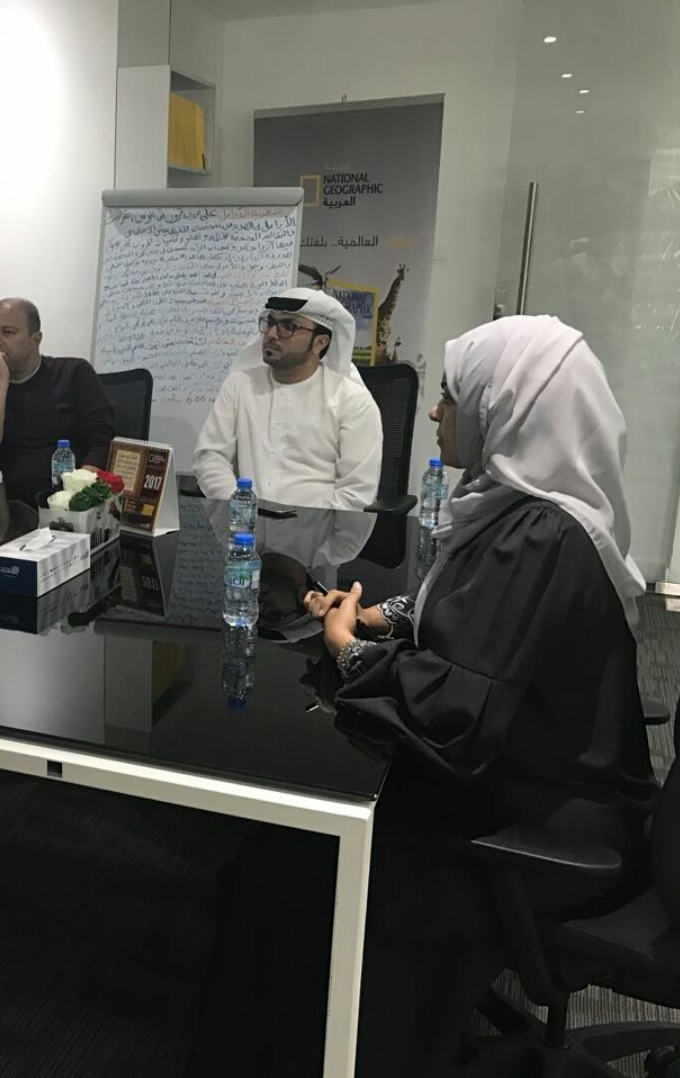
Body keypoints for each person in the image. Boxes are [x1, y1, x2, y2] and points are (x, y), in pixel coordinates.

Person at [304, 315, 655, 1076]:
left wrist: (348, 648)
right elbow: (467, 613)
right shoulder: (521, 506)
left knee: (315, 875)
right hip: (537, 773)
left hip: (550, 820)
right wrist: (383, 615)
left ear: (509, 410)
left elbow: (456, 708)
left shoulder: (540, 535)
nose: (435, 411)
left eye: (452, 397)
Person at [193, 288, 383, 510]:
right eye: (271, 323)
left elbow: (356, 493)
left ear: (320, 343)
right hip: (245, 524)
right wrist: (241, 508)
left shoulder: (352, 401)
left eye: (288, 326)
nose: (272, 334)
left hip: (319, 528)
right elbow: (210, 458)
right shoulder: (239, 386)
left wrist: (305, 525)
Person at [0, 297, 116, 504]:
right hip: (17, 507)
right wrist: (1, 383)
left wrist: (77, 498)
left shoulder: (74, 374)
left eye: (8, 332)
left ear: (36, 339)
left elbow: (102, 443)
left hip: (74, 501)